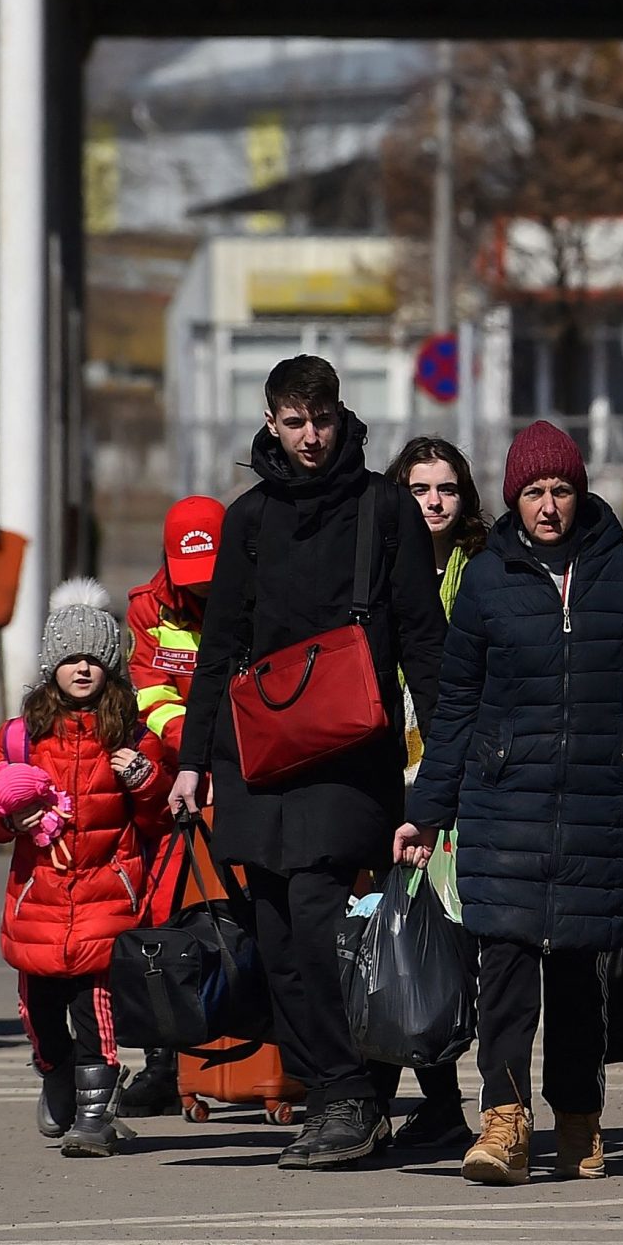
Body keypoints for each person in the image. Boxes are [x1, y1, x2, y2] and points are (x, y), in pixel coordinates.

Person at [399, 421, 623, 1187]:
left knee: (576, 978)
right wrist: (428, 813)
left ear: (581, 489)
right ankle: (503, 1122)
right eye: (533, 492)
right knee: (502, 971)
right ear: (512, 497)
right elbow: (454, 706)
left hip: (597, 807)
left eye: (561, 489)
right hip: (501, 809)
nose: (549, 506)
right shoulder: (489, 581)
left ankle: (577, 1116)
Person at [169, 355, 448, 1172]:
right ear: (270, 424)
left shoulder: (383, 508)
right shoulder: (249, 519)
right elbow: (218, 649)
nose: (311, 437)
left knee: (327, 928)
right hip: (258, 753)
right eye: (293, 423)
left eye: (321, 419)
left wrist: (446, 763)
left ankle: (354, 1096)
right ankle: (335, 1095)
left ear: (340, 415)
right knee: (278, 934)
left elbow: (424, 640)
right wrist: (193, 762)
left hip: (349, 750)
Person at [0, 581, 172, 1159]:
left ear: (111, 665)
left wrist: (145, 779)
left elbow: (159, 822)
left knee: (96, 1012)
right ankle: (54, 1072)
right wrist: (7, 809)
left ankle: (94, 1114)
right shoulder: (20, 737)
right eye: (70, 658)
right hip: (37, 897)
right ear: (51, 666)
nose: (82, 668)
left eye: (94, 658)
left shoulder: (134, 735)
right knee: (38, 1012)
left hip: (106, 895)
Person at [383, 434, 489, 1153]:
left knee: (452, 940)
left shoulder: (482, 569)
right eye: (420, 488)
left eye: (446, 487)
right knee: (401, 938)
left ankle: (464, 1099)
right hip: (389, 767)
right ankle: (428, 1099)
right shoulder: (381, 563)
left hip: (462, 776)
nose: (434, 500)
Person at [114, 494, 225, 1119]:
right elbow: (153, 694)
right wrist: (195, 755)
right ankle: (162, 1064)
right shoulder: (149, 607)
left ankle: (281, 1065)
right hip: (171, 777)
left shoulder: (258, 592)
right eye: (192, 581)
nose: (201, 593)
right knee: (158, 916)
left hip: (245, 766)